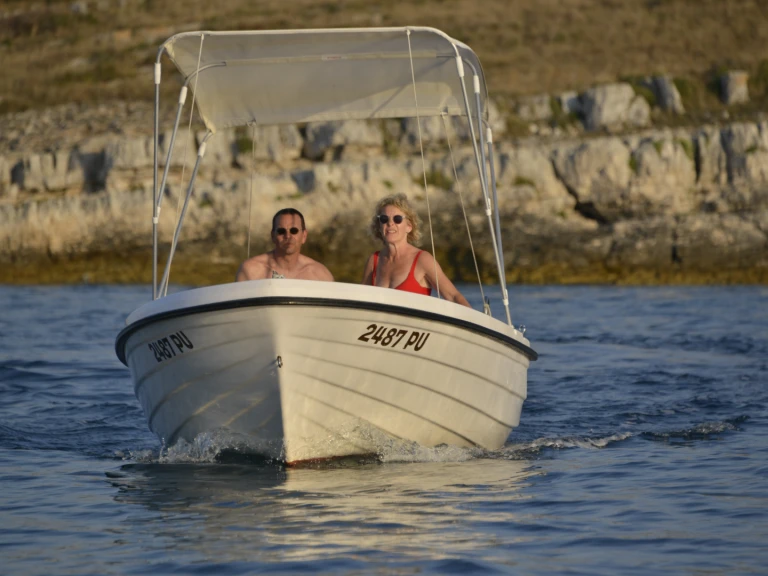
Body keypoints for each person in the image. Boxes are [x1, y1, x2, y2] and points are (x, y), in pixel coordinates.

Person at [361, 194, 470, 307]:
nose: (390, 223)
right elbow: (361, 300)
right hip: (379, 324)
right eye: (384, 219)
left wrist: (472, 320)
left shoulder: (423, 259)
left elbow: (453, 296)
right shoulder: (374, 261)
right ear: (379, 226)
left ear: (409, 226)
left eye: (397, 219)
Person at [236, 208, 334, 282]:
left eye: (294, 231)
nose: (288, 236)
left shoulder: (321, 275)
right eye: (281, 231)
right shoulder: (250, 271)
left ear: (304, 236)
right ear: (273, 236)